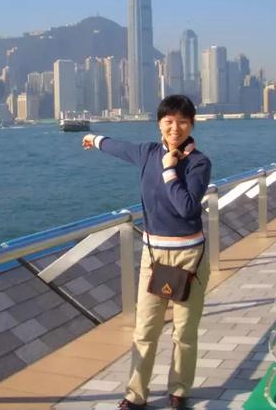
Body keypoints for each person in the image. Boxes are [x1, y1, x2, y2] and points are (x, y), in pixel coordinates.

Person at [82, 95, 212, 410]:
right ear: (159, 124)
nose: (175, 128)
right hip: (154, 257)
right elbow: (118, 147)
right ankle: (135, 395)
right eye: (169, 121)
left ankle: (179, 390)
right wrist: (94, 139)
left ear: (192, 124)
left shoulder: (199, 163)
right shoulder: (148, 153)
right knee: (145, 330)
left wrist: (170, 171)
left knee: (184, 331)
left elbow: (187, 208)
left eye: (183, 122)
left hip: (190, 258)